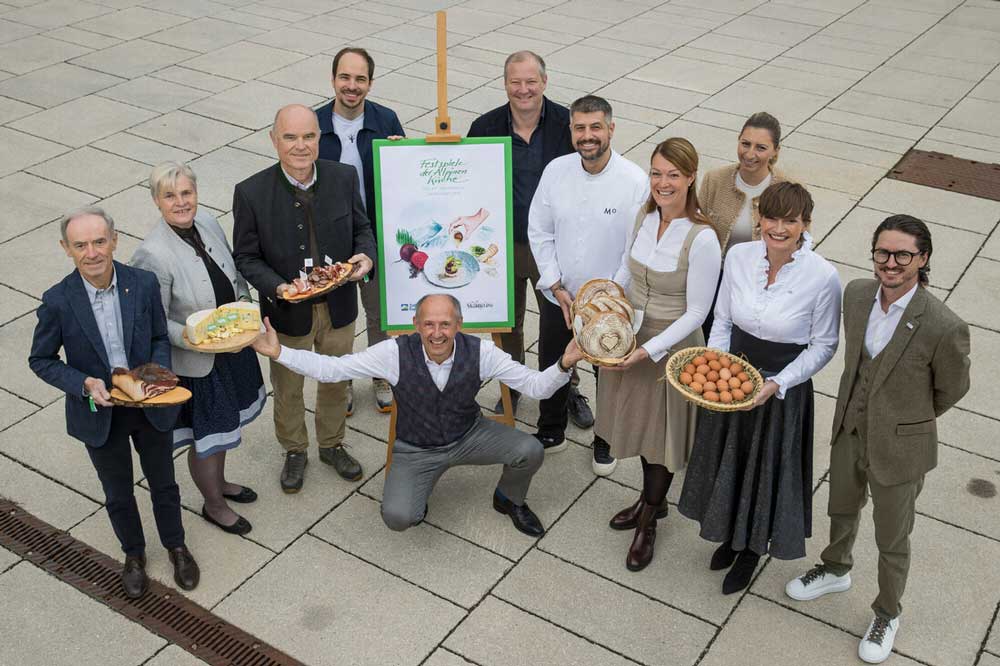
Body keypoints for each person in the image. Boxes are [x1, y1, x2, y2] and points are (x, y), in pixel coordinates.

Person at [785, 215, 970, 664]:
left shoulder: (944, 325)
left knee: (893, 536)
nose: (891, 262)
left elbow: (951, 389)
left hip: (901, 447)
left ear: (922, 259)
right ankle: (835, 568)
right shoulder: (857, 295)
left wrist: (904, 421)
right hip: (850, 428)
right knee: (842, 506)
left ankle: (888, 612)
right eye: (883, 252)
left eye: (903, 254)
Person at [252, 294, 585, 536]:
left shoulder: (482, 352)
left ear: (459, 325)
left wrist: (564, 364)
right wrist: (279, 351)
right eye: (428, 324)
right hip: (416, 449)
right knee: (398, 517)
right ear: (416, 325)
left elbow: (536, 386)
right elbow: (332, 369)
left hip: (469, 435)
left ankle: (508, 498)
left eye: (444, 324)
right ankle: (419, 489)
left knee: (531, 450)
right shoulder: (393, 353)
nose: (436, 333)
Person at [678, 181, 841, 595]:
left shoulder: (823, 276)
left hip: (780, 390)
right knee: (729, 461)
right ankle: (730, 538)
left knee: (764, 470)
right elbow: (724, 320)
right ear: (759, 219)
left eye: (791, 220)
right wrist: (717, 365)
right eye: (772, 217)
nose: (779, 228)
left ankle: (750, 550)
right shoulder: (738, 256)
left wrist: (777, 383)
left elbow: (824, 345)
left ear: (806, 225)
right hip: (732, 380)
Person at [28, 206, 200, 598]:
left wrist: (153, 374)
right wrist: (83, 383)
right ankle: (134, 555)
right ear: (66, 248)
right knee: (117, 491)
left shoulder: (141, 283)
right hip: (99, 411)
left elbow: (159, 335)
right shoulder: (57, 300)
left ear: (115, 240)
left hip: (147, 405)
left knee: (164, 483)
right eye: (81, 245)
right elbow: (40, 360)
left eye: (99, 241)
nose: (92, 252)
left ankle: (176, 546)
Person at [233, 104, 376, 494]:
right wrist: (278, 287)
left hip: (339, 307)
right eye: (290, 137)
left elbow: (363, 230)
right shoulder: (251, 192)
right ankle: (294, 450)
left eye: (309, 136)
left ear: (319, 138)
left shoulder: (343, 177)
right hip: (285, 312)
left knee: (335, 380)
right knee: (289, 385)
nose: (301, 146)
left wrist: (366, 255)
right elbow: (245, 257)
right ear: (274, 140)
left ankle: (332, 444)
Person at [598, 138, 721, 571]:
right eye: (656, 173)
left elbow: (698, 312)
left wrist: (649, 350)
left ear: (691, 178)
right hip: (631, 337)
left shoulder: (703, 239)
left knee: (661, 439)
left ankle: (649, 520)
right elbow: (625, 272)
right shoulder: (643, 216)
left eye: (673, 175)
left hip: (671, 347)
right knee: (638, 429)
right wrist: (603, 306)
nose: (662, 183)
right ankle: (650, 501)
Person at [130, 162, 266, 536]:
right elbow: (151, 321)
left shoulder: (207, 221)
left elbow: (234, 274)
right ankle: (214, 504)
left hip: (232, 347)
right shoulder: (152, 254)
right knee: (208, 438)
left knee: (223, 429)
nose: (181, 202)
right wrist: (191, 338)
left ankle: (218, 484)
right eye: (170, 196)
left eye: (186, 193)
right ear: (157, 201)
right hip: (198, 363)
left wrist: (245, 307)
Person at [528, 94, 648, 475]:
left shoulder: (634, 181)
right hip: (559, 296)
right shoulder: (556, 171)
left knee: (608, 372)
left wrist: (607, 299)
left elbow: (635, 245)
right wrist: (555, 284)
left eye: (596, 127)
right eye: (580, 128)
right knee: (554, 359)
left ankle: (606, 438)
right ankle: (551, 428)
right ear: (571, 131)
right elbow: (539, 230)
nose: (588, 135)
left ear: (611, 129)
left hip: (612, 301)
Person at [467, 50, 581, 422]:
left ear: (544, 82)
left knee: (560, 320)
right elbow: (463, 177)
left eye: (531, 81)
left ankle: (568, 387)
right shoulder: (484, 127)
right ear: (505, 84)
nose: (523, 89)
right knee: (506, 322)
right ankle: (511, 383)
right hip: (502, 245)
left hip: (553, 245)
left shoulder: (568, 124)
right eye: (515, 82)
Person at [316, 47, 405, 415]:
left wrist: (405, 156)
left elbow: (405, 180)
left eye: (360, 79)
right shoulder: (315, 123)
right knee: (338, 316)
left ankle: (380, 373)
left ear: (370, 82)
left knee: (379, 312)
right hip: (330, 234)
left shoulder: (386, 120)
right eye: (345, 78)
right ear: (334, 79)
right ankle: (342, 380)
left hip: (377, 232)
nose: (352, 86)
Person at [697, 112, 786, 337]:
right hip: (715, 279)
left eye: (761, 148)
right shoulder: (714, 180)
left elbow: (799, 243)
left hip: (760, 285)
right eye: (745, 144)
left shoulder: (786, 189)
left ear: (775, 151)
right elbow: (697, 229)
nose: (749, 154)